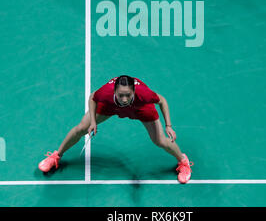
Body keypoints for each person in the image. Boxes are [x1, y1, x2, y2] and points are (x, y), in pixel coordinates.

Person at [38, 75, 193, 184]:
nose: (124, 99)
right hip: (111, 107)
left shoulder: (144, 95)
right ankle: (56, 156)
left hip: (140, 108)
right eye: (120, 95)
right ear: (114, 92)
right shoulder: (105, 93)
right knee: (81, 128)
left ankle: (183, 162)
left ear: (133, 91)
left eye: (127, 95)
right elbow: (93, 98)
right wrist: (92, 121)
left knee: (160, 141)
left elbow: (162, 101)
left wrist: (168, 126)